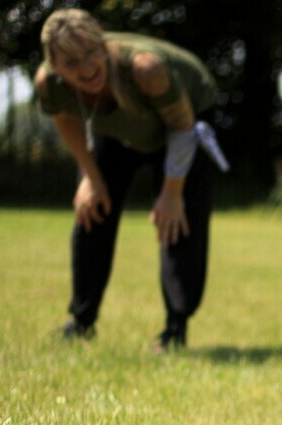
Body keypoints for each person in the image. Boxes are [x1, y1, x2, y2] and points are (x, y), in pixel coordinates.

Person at [34, 9, 228, 352]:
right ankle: (81, 321)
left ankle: (174, 329)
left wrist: (171, 193)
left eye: (92, 53)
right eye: (72, 62)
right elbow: (65, 119)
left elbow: (182, 127)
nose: (87, 67)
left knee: (177, 222)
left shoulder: (145, 69)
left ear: (103, 45)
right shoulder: (49, 83)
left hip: (182, 125)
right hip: (118, 130)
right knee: (91, 212)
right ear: (54, 64)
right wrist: (90, 177)